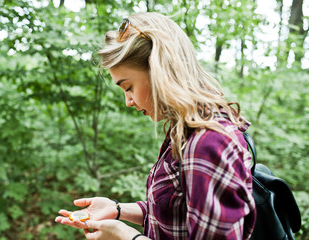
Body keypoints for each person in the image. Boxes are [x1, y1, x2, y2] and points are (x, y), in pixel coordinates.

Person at [55, 12, 256, 240]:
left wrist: (127, 237)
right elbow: (175, 213)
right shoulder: (185, 130)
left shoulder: (208, 143)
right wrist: (118, 209)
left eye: (128, 87)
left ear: (159, 71)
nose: (128, 101)